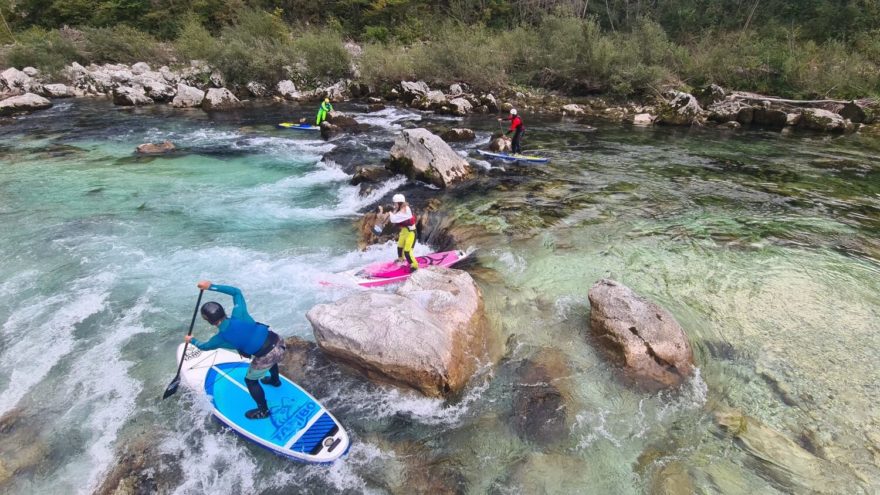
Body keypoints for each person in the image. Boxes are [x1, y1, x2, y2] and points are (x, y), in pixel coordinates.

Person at [186, 280, 286, 420]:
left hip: (267, 356)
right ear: (223, 311)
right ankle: (275, 381)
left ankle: (263, 411)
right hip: (279, 342)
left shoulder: (220, 339)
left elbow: (204, 346)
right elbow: (236, 292)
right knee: (270, 358)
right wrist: (210, 286)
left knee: (250, 381)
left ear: (209, 321)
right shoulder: (239, 313)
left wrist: (191, 340)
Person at [384, 193, 418, 272]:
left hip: (411, 233)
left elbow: (394, 219)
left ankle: (414, 266)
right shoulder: (399, 208)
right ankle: (401, 259)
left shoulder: (406, 210)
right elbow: (394, 213)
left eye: (395, 203)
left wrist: (389, 212)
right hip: (404, 231)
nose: (394, 205)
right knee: (400, 247)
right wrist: (389, 210)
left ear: (400, 203)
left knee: (407, 251)